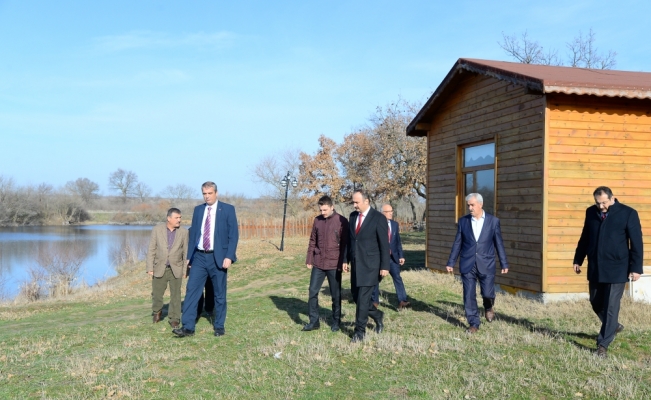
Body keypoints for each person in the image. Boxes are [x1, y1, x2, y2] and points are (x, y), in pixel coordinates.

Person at [573, 186, 643, 358]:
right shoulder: (591, 212)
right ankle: (613, 326)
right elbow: (585, 237)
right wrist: (578, 259)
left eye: (604, 202)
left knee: (611, 306)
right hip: (596, 266)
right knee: (596, 302)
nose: (601, 206)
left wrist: (636, 268)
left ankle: (602, 345)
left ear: (612, 198)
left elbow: (636, 242)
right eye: (598, 203)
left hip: (618, 268)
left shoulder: (628, 213)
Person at [173, 182, 239, 337]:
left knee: (219, 293)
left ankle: (219, 326)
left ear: (216, 193)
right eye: (204, 193)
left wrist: (229, 256)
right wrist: (189, 257)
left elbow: (233, 235)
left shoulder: (228, 209)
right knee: (191, 290)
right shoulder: (198, 210)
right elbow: (194, 234)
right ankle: (188, 327)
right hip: (200, 257)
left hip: (219, 257)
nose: (207, 196)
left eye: (209, 193)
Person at [445, 193, 508, 334]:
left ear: (480, 204)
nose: (470, 208)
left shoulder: (493, 221)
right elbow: (457, 243)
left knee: (487, 293)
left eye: (472, 205)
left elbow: (499, 243)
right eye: (468, 205)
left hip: (486, 263)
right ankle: (473, 323)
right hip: (467, 263)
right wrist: (451, 262)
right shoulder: (463, 221)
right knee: (468, 295)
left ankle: (488, 306)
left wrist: (504, 263)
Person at [345, 189, 390, 342]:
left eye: (357, 202)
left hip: (372, 266)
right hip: (357, 265)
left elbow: (385, 244)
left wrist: (385, 266)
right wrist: (346, 260)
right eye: (353, 202)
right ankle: (377, 315)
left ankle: (359, 332)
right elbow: (350, 241)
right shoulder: (352, 217)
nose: (354, 205)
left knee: (363, 299)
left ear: (366, 201)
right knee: (357, 298)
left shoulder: (378, 218)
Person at [303, 195, 349, 332]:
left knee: (335, 294)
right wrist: (309, 258)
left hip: (334, 264)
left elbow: (345, 244)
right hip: (318, 263)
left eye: (325, 210)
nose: (322, 212)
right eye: (321, 210)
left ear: (332, 207)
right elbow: (313, 240)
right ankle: (314, 321)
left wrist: (344, 261)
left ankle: (336, 321)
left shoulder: (341, 221)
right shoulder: (317, 221)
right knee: (312, 291)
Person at [146, 208, 189, 329]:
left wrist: (185, 271)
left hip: (176, 268)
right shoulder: (157, 230)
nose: (179, 220)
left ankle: (174, 318)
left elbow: (186, 252)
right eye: (177, 218)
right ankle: (157, 312)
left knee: (176, 295)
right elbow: (151, 249)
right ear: (168, 218)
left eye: (180, 218)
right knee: (157, 294)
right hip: (160, 267)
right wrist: (150, 267)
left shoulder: (184, 232)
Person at [371, 204, 410, 310]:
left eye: (392, 211)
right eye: (388, 211)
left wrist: (401, 255)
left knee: (397, 277)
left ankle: (402, 300)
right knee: (376, 279)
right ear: (382, 213)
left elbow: (397, 241)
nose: (391, 213)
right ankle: (374, 301)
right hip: (380, 258)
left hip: (393, 257)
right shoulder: (376, 224)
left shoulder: (394, 224)